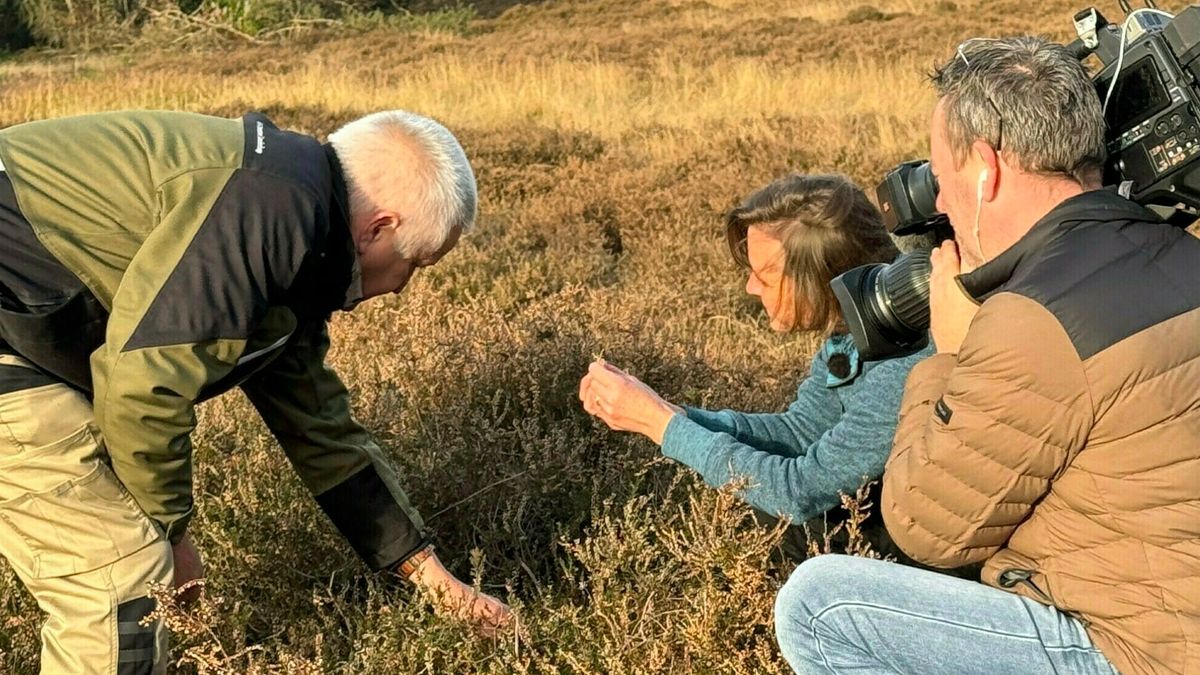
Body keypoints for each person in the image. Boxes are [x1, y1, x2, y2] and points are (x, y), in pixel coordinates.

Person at [0, 109, 510, 674]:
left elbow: (321, 430)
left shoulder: (292, 229)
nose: (400, 289)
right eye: (416, 263)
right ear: (378, 228)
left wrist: (435, 582)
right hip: (9, 325)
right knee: (119, 575)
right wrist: (172, 538)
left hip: (19, 324)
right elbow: (145, 386)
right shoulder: (266, 214)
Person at [774, 37, 1200, 675]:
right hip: (1175, 614)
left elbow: (925, 527)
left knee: (820, 605)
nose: (940, 204)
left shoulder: (1034, 318)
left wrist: (951, 353)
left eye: (941, 179)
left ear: (986, 166)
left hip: (1137, 652)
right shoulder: (1180, 251)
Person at [578, 174, 932, 546]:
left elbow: (800, 491)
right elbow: (799, 431)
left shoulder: (905, 365)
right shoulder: (858, 324)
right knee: (746, 485)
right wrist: (673, 413)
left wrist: (661, 425)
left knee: (767, 512)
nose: (750, 287)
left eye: (764, 276)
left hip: (925, 560)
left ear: (821, 276)